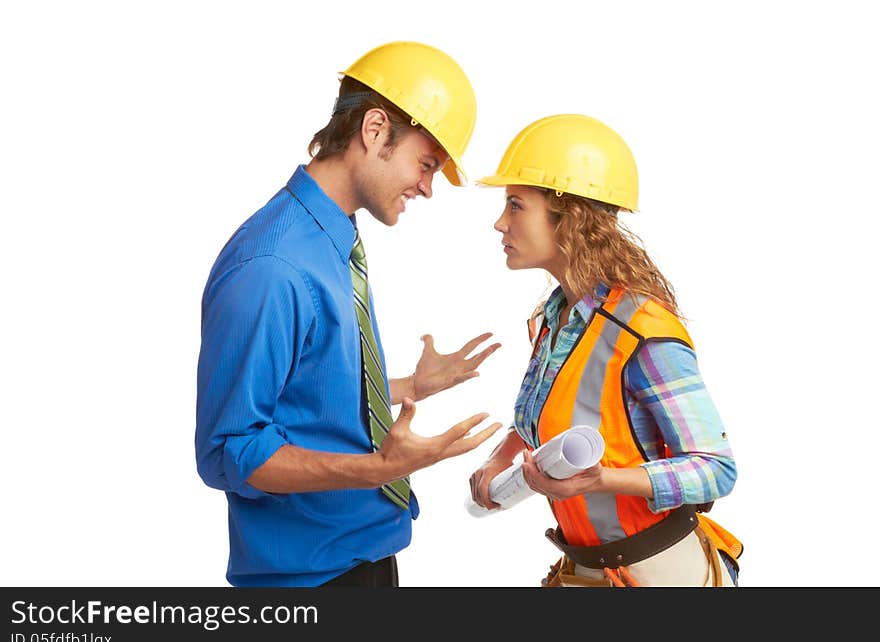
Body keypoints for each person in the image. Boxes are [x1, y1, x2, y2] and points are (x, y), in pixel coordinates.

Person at [195, 41, 503, 587]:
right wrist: (378, 470)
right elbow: (228, 450)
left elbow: (307, 394)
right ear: (376, 130)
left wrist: (408, 385)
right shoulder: (272, 266)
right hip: (310, 585)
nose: (428, 188)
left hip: (361, 565)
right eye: (426, 163)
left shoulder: (330, 240)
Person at [469, 114, 742, 587]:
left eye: (515, 205)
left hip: (664, 575)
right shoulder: (556, 318)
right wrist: (501, 457)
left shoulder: (642, 330)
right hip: (593, 572)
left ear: (570, 218)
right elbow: (555, 413)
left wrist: (602, 480)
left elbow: (715, 470)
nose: (499, 222)